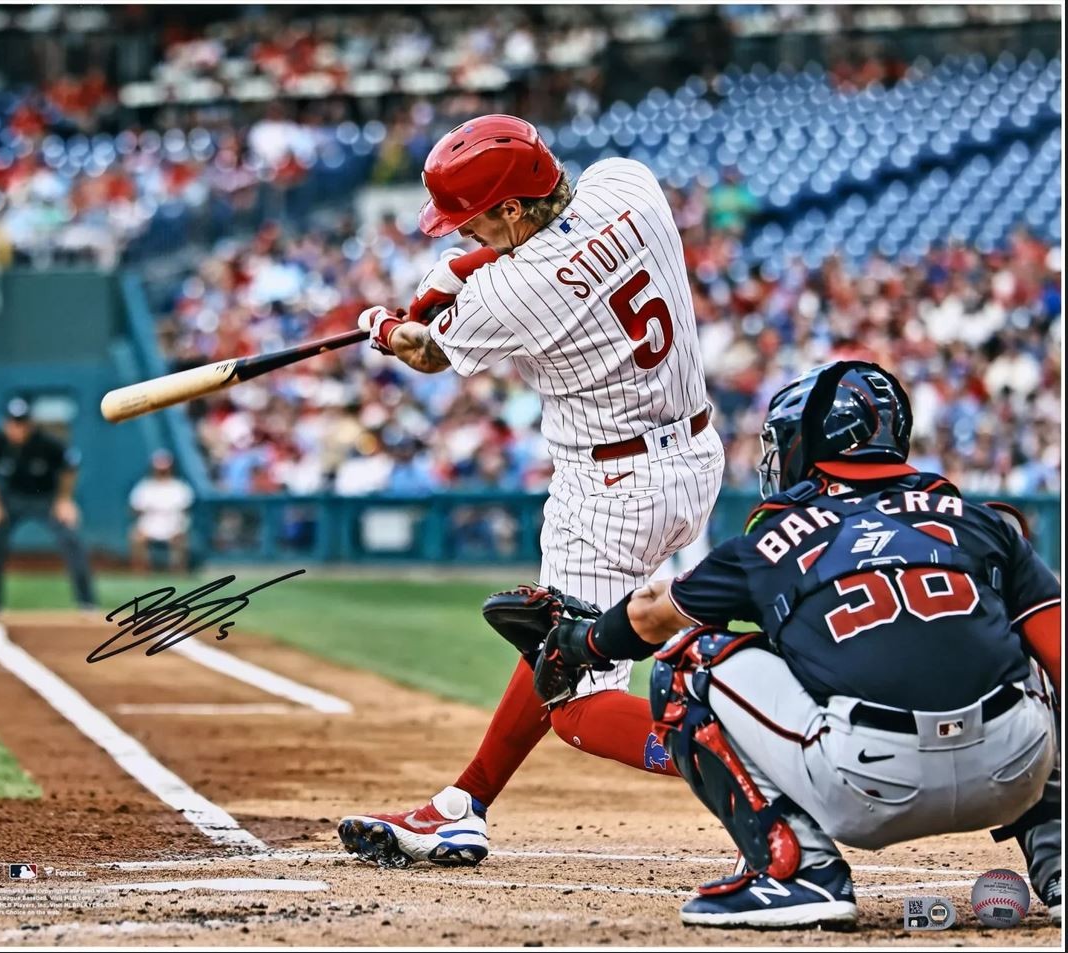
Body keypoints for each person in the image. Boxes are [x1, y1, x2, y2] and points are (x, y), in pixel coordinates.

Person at [535, 360, 1061, 928]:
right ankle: (1058, 862)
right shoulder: (981, 522)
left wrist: (580, 643)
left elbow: (650, 615)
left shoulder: (775, 537)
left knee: (687, 663)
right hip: (1013, 770)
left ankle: (798, 870)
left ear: (812, 443)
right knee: (1029, 648)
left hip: (866, 788)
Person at [339, 114, 725, 867]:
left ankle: (740, 757)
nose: (465, 233)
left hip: (612, 488)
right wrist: (459, 270)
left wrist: (386, 325)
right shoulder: (629, 182)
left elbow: (427, 353)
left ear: (511, 208)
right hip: (697, 455)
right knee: (555, 641)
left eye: (475, 220)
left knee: (574, 698)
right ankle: (462, 805)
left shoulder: (513, 288)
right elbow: (548, 243)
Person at [0, 397, 96, 612]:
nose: (17, 428)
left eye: (22, 423)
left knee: (71, 538)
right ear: (5, 423)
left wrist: (65, 500)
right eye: (13, 423)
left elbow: (71, 465)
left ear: (30, 424)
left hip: (46, 497)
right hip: (10, 498)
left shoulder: (46, 443)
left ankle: (87, 603)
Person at [128, 449, 195, 572]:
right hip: (150, 525)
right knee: (137, 537)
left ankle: (178, 572)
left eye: (164, 468)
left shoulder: (179, 487)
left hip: (173, 525)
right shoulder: (145, 487)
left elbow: (186, 512)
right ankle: (140, 573)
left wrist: (180, 528)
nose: (162, 471)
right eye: (159, 468)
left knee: (181, 539)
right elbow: (135, 509)